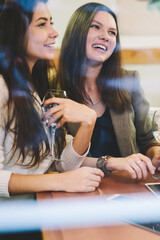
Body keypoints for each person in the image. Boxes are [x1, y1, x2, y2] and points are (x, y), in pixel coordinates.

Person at [0, 0, 104, 200]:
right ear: (14, 32)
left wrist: (88, 122)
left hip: (40, 203)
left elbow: (64, 163)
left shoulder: (36, 86)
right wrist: (61, 181)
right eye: (42, 24)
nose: (54, 32)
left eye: (51, 22)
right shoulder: (2, 87)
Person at [58, 2, 160, 180]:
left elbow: (146, 139)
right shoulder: (54, 86)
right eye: (96, 27)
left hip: (127, 186)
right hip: (74, 191)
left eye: (112, 32)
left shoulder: (128, 81)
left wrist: (155, 152)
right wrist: (109, 162)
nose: (105, 36)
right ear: (77, 32)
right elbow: (55, 157)